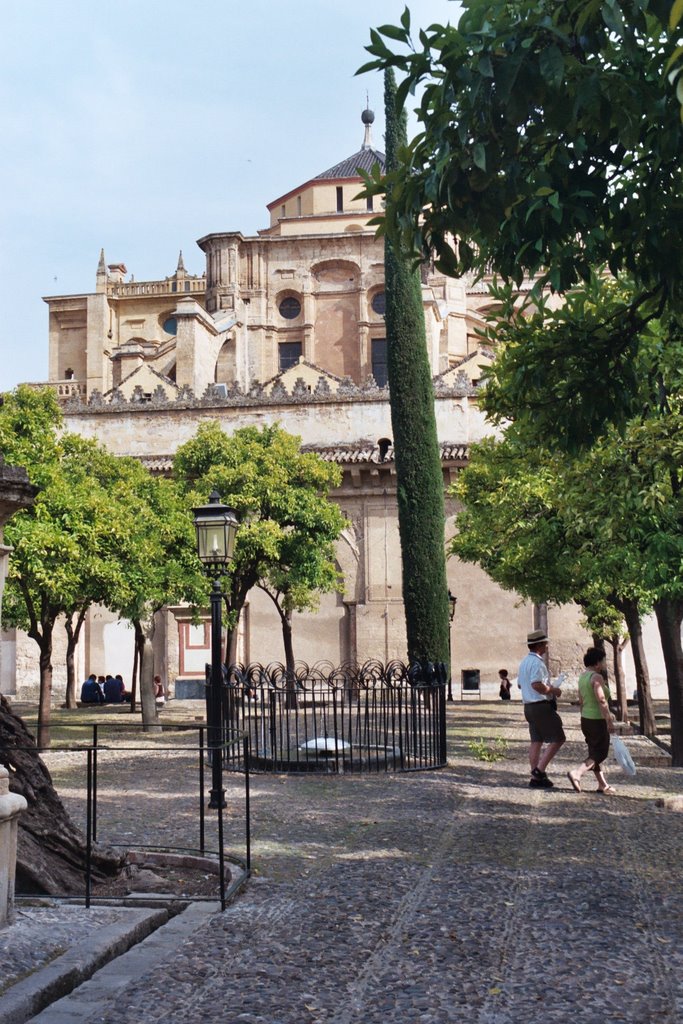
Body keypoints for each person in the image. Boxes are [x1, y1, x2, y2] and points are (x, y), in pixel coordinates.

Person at [518, 628, 565, 788]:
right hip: (540, 706)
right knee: (559, 738)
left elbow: (521, 684)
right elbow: (536, 685)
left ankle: (536, 778)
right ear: (539, 645)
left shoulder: (524, 662)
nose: (547, 647)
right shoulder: (538, 663)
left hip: (528, 706)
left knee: (536, 740)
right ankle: (539, 770)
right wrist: (553, 690)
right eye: (545, 644)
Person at [567, 648, 616, 794]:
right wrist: (609, 720)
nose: (605, 663)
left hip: (586, 719)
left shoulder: (583, 677)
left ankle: (602, 784)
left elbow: (581, 700)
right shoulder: (597, 677)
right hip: (597, 720)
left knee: (594, 753)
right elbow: (601, 699)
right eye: (604, 660)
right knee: (600, 753)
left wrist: (583, 716)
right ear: (597, 663)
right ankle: (577, 773)